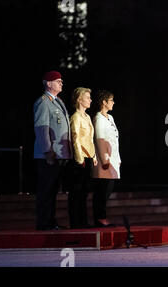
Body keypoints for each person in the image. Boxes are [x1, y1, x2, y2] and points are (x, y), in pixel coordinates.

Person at [34, 71, 72, 230]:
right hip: (49, 155)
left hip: (60, 154)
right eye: (57, 81)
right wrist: (48, 151)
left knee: (53, 191)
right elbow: (42, 129)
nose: (61, 83)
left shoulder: (58, 101)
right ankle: (44, 222)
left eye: (61, 81)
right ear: (48, 83)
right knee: (46, 190)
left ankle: (50, 221)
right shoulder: (44, 102)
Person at [69, 87, 97, 229]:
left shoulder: (86, 117)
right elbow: (75, 139)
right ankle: (76, 222)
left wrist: (94, 155)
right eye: (87, 97)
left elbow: (89, 139)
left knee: (85, 191)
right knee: (77, 191)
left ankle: (84, 221)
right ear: (79, 100)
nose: (90, 100)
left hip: (88, 157)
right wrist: (79, 158)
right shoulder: (75, 117)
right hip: (80, 158)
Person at [91, 90, 121, 227]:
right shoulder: (98, 118)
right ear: (104, 102)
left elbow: (115, 139)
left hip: (112, 160)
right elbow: (100, 140)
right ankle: (99, 218)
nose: (113, 103)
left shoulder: (110, 118)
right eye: (111, 100)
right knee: (102, 191)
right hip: (105, 161)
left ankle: (102, 216)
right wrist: (105, 159)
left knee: (108, 190)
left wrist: (118, 158)